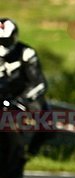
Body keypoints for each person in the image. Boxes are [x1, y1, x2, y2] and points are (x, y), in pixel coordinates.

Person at [0, 18, 50, 156]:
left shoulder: (26, 53)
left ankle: (29, 151)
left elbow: (40, 84)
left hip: (21, 97)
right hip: (1, 96)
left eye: (5, 41)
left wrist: (22, 100)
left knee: (44, 115)